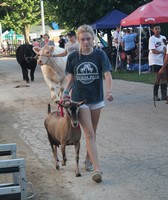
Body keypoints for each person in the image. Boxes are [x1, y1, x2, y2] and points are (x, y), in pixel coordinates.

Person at [62, 25, 113, 183]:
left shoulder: (99, 55)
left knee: (93, 132)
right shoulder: (73, 57)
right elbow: (70, 79)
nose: (86, 42)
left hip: (96, 99)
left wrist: (109, 91)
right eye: (83, 39)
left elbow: (107, 74)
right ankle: (97, 170)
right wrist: (65, 93)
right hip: (79, 101)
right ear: (78, 40)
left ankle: (88, 159)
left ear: (93, 39)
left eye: (89, 39)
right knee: (89, 133)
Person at [148, 24, 166, 101]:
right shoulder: (152, 39)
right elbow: (153, 50)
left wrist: (165, 52)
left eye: (159, 28)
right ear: (153, 30)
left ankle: (164, 94)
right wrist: (162, 52)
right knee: (158, 76)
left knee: (164, 76)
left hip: (162, 60)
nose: (158, 30)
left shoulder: (163, 38)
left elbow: (166, 47)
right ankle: (155, 95)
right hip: (154, 60)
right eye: (156, 28)